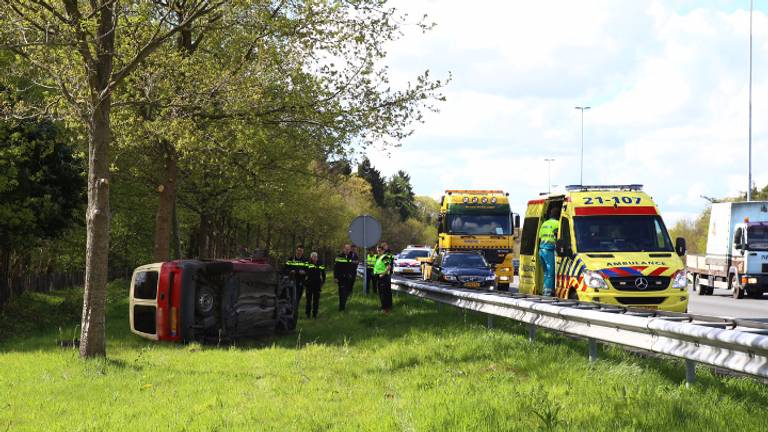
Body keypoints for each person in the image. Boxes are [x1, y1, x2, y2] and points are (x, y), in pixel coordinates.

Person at [538, 207, 559, 296]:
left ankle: (545, 290)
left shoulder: (544, 224)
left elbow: (540, 237)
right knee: (551, 273)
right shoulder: (558, 223)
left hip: (541, 251)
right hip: (549, 250)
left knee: (546, 272)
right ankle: (548, 292)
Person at [333, 243, 359, 311]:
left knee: (347, 292)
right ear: (343, 249)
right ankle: (341, 308)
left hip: (349, 278)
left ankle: (343, 304)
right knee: (342, 293)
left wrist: (352, 274)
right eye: (346, 249)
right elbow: (336, 268)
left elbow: (354, 266)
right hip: (341, 278)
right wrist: (335, 277)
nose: (347, 250)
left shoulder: (352, 256)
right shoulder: (339, 257)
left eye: (349, 249)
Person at [285, 245, 309, 311]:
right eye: (298, 250)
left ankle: (295, 311)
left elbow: (308, 271)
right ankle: (290, 309)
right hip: (291, 280)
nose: (299, 252)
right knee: (290, 296)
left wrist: (304, 272)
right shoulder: (290, 259)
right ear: (296, 251)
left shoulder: (305, 260)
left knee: (298, 297)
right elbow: (285, 269)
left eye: (301, 251)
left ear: (303, 252)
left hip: (300, 281)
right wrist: (290, 271)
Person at [374, 241, 395, 312]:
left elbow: (388, 267)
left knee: (383, 293)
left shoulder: (384, 257)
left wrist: (383, 274)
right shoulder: (379, 257)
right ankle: (385, 307)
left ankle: (385, 308)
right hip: (380, 277)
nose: (378, 252)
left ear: (383, 250)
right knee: (382, 293)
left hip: (383, 277)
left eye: (380, 250)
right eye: (377, 251)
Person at [304, 252, 326, 319]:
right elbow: (304, 273)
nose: (314, 258)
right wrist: (305, 282)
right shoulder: (307, 263)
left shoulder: (320, 263)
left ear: (317, 257)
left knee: (316, 300)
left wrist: (323, 281)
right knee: (308, 300)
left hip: (317, 284)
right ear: (311, 257)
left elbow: (323, 273)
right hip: (309, 284)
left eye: (315, 257)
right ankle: (308, 314)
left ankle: (315, 314)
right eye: (313, 257)